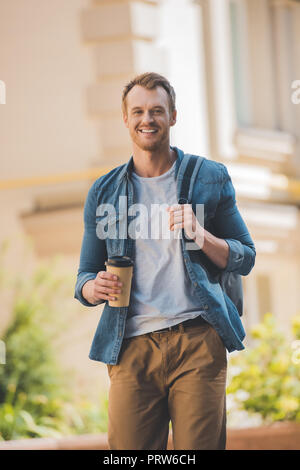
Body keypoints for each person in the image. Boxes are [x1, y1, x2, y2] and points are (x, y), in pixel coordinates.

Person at [74, 72, 256, 450]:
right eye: (138, 111)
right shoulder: (104, 191)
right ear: (125, 119)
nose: (147, 119)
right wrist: (93, 287)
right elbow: (84, 277)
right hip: (130, 347)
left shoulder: (208, 177)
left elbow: (245, 256)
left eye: (157, 110)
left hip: (197, 340)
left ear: (173, 116)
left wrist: (200, 235)